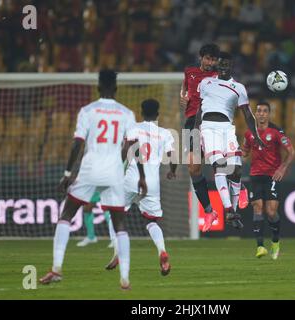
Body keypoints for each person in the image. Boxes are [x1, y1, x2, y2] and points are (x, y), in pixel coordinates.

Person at [39, 69, 147, 290]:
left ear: (98, 87)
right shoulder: (127, 113)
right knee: (119, 225)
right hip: (115, 171)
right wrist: (142, 177)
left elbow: (77, 143)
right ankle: (125, 279)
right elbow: (134, 147)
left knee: (66, 215)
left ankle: (56, 268)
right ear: (116, 88)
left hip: (90, 169)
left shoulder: (87, 111)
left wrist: (68, 174)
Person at [106, 99, 177, 276]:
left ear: (141, 112)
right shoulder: (165, 133)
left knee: (113, 212)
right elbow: (172, 156)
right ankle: (162, 250)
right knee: (151, 222)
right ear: (158, 113)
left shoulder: (133, 127)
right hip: (152, 184)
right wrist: (172, 172)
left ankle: (117, 251)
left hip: (131, 179)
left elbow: (125, 150)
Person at [197, 51, 265, 230]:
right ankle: (228, 209)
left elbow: (247, 115)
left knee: (235, 170)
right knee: (220, 168)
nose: (223, 67)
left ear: (231, 66)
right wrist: (195, 133)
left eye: (227, 64)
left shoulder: (239, 88)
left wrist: (256, 136)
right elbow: (199, 109)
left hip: (227, 128)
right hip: (208, 127)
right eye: (221, 63)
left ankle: (233, 213)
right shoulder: (205, 82)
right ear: (217, 65)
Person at [242, 101, 295, 260]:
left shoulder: (277, 131)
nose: (262, 114)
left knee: (271, 212)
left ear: (269, 114)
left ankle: (275, 241)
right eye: (259, 111)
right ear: (255, 114)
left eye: (265, 111)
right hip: (255, 175)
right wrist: (235, 153)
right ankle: (260, 246)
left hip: (272, 176)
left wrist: (282, 168)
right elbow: (244, 151)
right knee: (257, 208)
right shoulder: (249, 133)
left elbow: (291, 152)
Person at [180, 43, 221, 232]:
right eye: (207, 58)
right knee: (193, 167)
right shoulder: (189, 72)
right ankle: (209, 210)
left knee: (219, 163)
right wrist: (183, 98)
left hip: (209, 121)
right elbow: (184, 93)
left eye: (213, 59)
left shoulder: (218, 77)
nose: (210, 62)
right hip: (191, 122)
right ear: (201, 57)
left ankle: (239, 187)